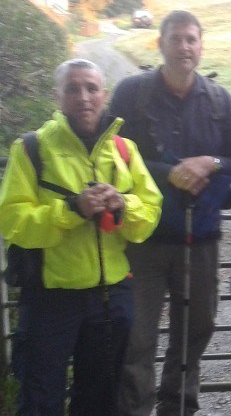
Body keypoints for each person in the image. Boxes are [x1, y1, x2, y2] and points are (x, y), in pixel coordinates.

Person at [0, 58, 162, 415]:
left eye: (91, 88)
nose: (84, 97)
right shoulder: (31, 149)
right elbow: (12, 221)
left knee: (100, 400)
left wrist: (123, 204)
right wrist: (72, 209)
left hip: (110, 295)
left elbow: (150, 212)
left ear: (104, 94)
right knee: (41, 398)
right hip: (50, 297)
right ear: (57, 96)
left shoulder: (124, 150)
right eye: (73, 89)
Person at [110, 10, 231, 415]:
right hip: (142, 238)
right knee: (137, 337)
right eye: (175, 39)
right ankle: (135, 409)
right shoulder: (131, 93)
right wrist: (167, 173)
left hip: (200, 237)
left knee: (196, 330)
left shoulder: (219, 100)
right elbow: (109, 154)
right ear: (160, 44)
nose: (184, 47)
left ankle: (178, 407)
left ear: (201, 46)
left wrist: (210, 163)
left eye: (191, 39)